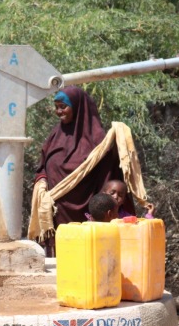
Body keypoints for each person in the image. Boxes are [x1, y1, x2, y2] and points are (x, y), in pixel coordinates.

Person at [30, 86, 124, 255]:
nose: (59, 111)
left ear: (78, 107)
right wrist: (42, 180)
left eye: (63, 106)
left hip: (86, 215)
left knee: (83, 257)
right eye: (56, 106)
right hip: (56, 211)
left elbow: (106, 180)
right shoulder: (55, 135)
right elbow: (43, 164)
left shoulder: (100, 143)